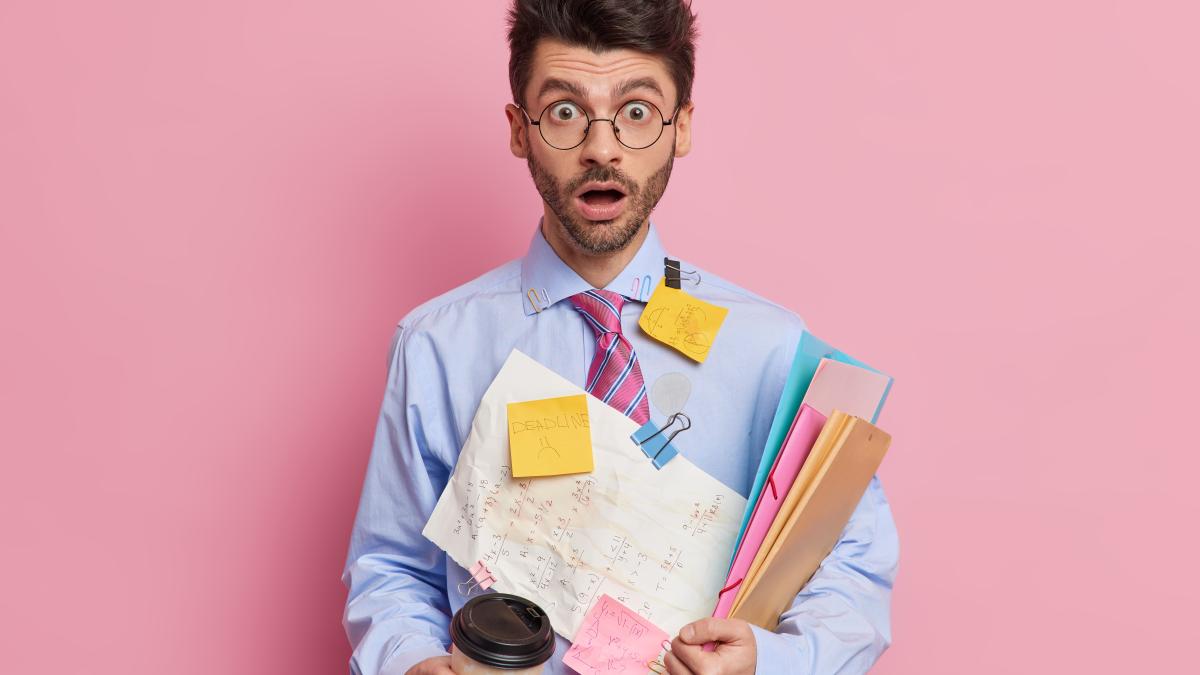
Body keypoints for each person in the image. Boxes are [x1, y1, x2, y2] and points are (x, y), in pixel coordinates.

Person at [341, 2, 899, 673]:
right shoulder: (435, 345)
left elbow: (852, 569)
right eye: (565, 111)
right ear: (519, 129)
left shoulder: (773, 350)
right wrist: (412, 662)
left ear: (681, 126)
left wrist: (772, 663)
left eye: (636, 111)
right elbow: (390, 568)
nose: (601, 148)